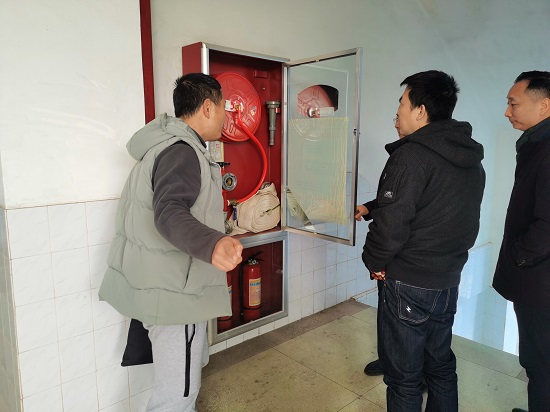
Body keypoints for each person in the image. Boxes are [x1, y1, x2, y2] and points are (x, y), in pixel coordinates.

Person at [99, 73, 243, 411]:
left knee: (176, 387)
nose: (226, 116)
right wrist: (212, 243)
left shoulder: (161, 147)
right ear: (207, 107)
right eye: (224, 107)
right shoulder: (183, 152)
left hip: (159, 285)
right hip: (177, 294)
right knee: (177, 397)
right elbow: (169, 212)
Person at [361, 70, 485, 412]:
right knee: (440, 366)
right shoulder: (470, 159)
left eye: (402, 103)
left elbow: (392, 224)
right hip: (448, 280)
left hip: (409, 281)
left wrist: (374, 262)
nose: (398, 111)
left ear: (420, 110)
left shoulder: (412, 155)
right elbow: (446, 213)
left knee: (404, 379)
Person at [492, 71, 550, 412]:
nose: (507, 111)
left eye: (513, 104)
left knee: (539, 362)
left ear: (544, 106)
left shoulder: (546, 149)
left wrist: (519, 257)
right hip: (536, 276)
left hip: (540, 281)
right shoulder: (536, 144)